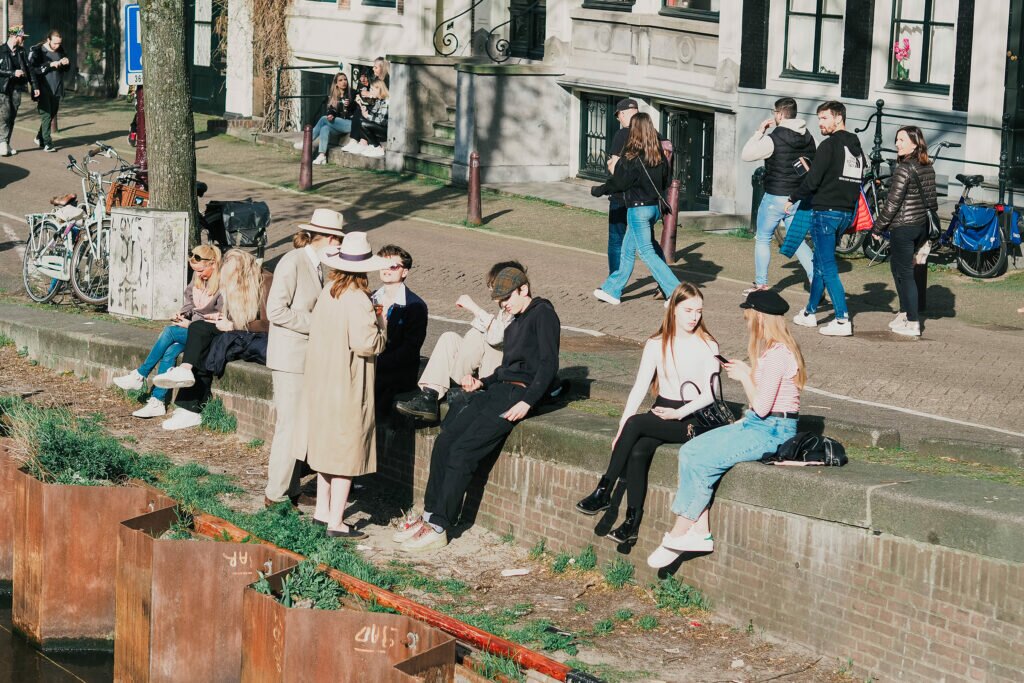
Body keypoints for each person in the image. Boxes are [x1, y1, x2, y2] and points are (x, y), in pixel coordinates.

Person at [394, 266, 560, 552]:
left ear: (524, 289)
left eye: (507, 298)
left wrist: (528, 402)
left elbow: (548, 364)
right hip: (497, 390)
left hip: (517, 395)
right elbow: (506, 369)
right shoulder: (516, 320)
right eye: (500, 301)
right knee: (445, 440)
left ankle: (440, 526)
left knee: (463, 451)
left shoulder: (543, 313)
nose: (504, 305)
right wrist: (481, 382)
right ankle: (431, 514)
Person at [647, 289, 804, 568]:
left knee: (705, 459)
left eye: (748, 316)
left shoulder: (778, 354)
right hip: (760, 424)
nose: (746, 322)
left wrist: (744, 376)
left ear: (759, 318)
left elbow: (763, 406)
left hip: (773, 430)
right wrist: (747, 372)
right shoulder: (770, 351)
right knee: (691, 450)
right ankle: (700, 531)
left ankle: (679, 532)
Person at [576, 282, 723, 544]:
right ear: (674, 309)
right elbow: (639, 387)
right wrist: (621, 427)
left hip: (691, 418)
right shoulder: (656, 343)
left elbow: (710, 395)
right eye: (689, 310)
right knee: (638, 450)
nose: (694, 317)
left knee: (635, 424)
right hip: (662, 411)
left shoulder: (708, 344)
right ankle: (631, 523)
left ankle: (604, 490)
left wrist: (678, 415)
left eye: (699, 311)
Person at [291, 232, 388, 538]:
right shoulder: (359, 299)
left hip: (322, 381)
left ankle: (321, 513)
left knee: (325, 451)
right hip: (348, 385)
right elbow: (366, 344)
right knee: (345, 454)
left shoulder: (329, 290)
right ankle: (337, 521)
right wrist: (382, 327)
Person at [263, 209, 344, 508]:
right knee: (290, 426)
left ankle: (292, 488)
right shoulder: (293, 262)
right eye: (339, 242)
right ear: (329, 239)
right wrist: (318, 323)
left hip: (305, 358)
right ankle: (275, 493)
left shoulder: (319, 265)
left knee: (299, 426)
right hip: (290, 358)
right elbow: (276, 311)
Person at [153, 249, 273, 430]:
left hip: (254, 335)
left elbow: (268, 324)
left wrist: (233, 325)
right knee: (198, 328)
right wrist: (221, 318)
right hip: (237, 328)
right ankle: (185, 377)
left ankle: (190, 408)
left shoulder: (266, 282)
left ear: (242, 272)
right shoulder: (240, 281)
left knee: (208, 342)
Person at [394, 260, 522, 423]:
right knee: (449, 338)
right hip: (485, 365)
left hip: (499, 375)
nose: (494, 296)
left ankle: (459, 382)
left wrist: (474, 308)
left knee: (477, 335)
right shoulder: (505, 310)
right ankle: (429, 396)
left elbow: (499, 337)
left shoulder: (522, 310)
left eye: (495, 288)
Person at [112, 245, 224, 418]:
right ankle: (157, 402)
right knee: (170, 352)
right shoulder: (198, 278)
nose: (199, 275)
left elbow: (219, 318)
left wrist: (191, 323)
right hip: (193, 328)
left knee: (169, 332)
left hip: (208, 334)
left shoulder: (222, 284)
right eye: (195, 271)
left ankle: (140, 375)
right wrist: (182, 314)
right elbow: (190, 302)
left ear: (213, 264)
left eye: (201, 271)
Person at [786, 101, 864, 337]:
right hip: (845, 213)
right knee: (820, 263)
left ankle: (842, 319)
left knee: (828, 267)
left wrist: (792, 198)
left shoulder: (828, 146)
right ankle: (810, 313)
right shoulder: (856, 148)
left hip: (825, 212)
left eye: (824, 118)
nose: (820, 123)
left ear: (838, 119)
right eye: (819, 118)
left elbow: (813, 181)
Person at [591, 113, 680, 305]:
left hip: (638, 209)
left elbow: (619, 183)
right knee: (627, 249)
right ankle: (612, 290)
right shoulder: (659, 156)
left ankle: (675, 291)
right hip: (654, 208)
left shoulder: (632, 156)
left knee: (646, 252)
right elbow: (666, 181)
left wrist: (598, 190)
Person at [740, 97, 816, 293]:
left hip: (776, 196)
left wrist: (759, 132)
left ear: (780, 114)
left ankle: (761, 283)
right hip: (798, 197)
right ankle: (816, 277)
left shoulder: (773, 138)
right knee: (796, 239)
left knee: (763, 237)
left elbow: (746, 154)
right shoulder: (809, 137)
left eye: (775, 112)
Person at [870, 126, 937, 338]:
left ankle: (913, 321)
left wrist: (878, 227)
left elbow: (892, 203)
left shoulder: (904, 168)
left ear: (915, 144)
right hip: (920, 226)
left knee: (905, 273)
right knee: (897, 268)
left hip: (904, 227)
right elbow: (932, 201)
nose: (897, 144)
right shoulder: (927, 166)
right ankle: (904, 312)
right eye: (897, 139)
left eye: (901, 140)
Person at [372, 244, 428, 417]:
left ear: (404, 272)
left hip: (395, 373)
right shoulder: (369, 297)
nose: (386, 270)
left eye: (393, 266)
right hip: (370, 365)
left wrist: (376, 365)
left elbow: (410, 349)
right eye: (383, 265)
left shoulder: (415, 305)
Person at [295, 73, 353, 165]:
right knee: (324, 128)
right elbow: (332, 110)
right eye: (340, 80)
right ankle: (322, 156)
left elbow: (355, 110)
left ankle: (306, 142)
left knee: (323, 119)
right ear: (336, 83)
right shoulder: (334, 96)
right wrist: (331, 114)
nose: (343, 82)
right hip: (338, 125)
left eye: (345, 79)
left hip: (350, 123)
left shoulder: (352, 93)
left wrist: (350, 105)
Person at [0, 25, 39, 157]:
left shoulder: (21, 51)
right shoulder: (1, 50)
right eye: (22, 37)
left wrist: (35, 86)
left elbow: (29, 69)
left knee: (12, 116)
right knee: (4, 115)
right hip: (3, 89)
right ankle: (2, 143)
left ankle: (6, 143)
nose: (24, 39)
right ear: (14, 36)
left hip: (17, 88)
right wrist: (12, 73)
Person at [28, 30, 69, 152]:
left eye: (59, 43)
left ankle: (39, 137)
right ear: (48, 40)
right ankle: (48, 143)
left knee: (51, 114)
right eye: (55, 43)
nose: (57, 46)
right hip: (43, 87)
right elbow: (32, 69)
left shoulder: (60, 50)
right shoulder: (38, 50)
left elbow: (66, 69)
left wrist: (66, 63)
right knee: (46, 114)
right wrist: (49, 65)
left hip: (56, 87)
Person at [352, 80, 388, 158]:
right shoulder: (378, 101)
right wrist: (363, 108)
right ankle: (372, 145)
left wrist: (368, 116)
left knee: (363, 124)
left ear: (379, 89)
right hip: (380, 127)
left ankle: (378, 147)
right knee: (360, 119)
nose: (370, 92)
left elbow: (382, 121)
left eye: (372, 89)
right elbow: (372, 115)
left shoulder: (386, 101)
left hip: (386, 130)